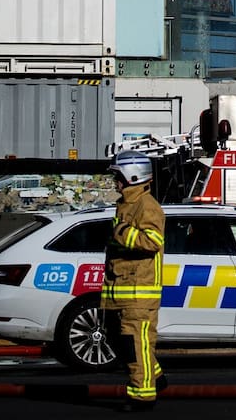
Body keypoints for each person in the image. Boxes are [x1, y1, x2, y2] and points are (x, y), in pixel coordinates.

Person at [102, 150, 166, 411]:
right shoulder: (126, 203)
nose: (114, 181)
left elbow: (152, 241)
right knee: (123, 342)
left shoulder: (146, 205)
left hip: (138, 294)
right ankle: (155, 377)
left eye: (117, 176)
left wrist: (122, 232)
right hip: (122, 291)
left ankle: (142, 395)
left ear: (132, 175)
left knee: (134, 344)